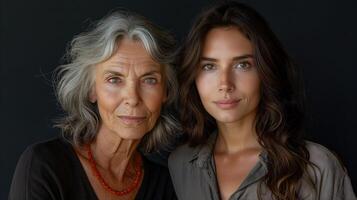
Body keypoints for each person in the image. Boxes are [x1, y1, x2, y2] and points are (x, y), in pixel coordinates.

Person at [168, 1, 356, 200]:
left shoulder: (317, 166)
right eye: (209, 66)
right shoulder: (180, 165)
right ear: (193, 76)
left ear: (265, 72)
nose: (225, 83)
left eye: (242, 65)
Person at [9, 10, 179, 200]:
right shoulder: (46, 166)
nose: (132, 98)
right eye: (114, 79)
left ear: (166, 91)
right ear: (91, 90)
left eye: (149, 80)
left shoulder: (167, 185)